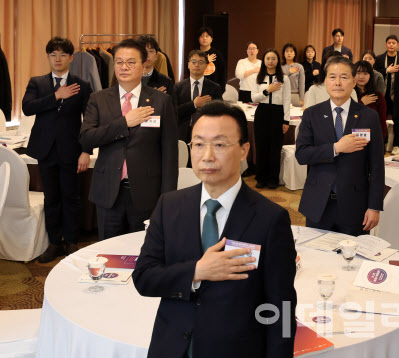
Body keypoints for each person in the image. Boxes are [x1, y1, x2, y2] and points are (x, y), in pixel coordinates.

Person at [133, 100, 297, 358]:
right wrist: (197, 271)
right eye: (198, 144)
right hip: (172, 347)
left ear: (244, 150)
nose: (206, 155)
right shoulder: (169, 205)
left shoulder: (270, 219)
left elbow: (283, 308)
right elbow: (144, 278)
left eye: (219, 145)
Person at [79, 39, 178, 240]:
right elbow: (86, 139)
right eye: (119, 62)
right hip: (108, 191)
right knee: (108, 251)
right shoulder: (98, 99)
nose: (124, 67)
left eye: (131, 62)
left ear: (144, 64)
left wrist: (167, 197)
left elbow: (169, 153)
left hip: (146, 193)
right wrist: (124, 123)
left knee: (143, 252)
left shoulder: (161, 101)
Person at [22, 37, 92, 263]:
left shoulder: (82, 85)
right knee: (51, 197)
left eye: (63, 54)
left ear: (71, 58)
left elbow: (89, 120)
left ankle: (71, 241)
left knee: (71, 197)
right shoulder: (37, 83)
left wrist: (86, 150)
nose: (58, 59)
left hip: (71, 149)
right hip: (45, 150)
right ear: (48, 57)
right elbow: (27, 107)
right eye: (53, 54)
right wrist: (56, 96)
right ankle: (54, 243)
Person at [296, 56, 384, 236]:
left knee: (353, 259)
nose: (337, 82)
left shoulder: (368, 117)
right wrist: (336, 148)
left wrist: (374, 206)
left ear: (353, 82)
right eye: (332, 77)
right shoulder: (312, 114)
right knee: (317, 259)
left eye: (344, 77)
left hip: (355, 205)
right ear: (325, 82)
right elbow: (302, 155)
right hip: (319, 203)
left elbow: (376, 166)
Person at [251, 49, 290, 189]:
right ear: (264, 60)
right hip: (262, 112)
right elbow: (253, 97)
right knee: (261, 146)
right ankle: (261, 177)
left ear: (278, 61)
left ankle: (273, 179)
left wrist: (286, 121)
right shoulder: (258, 77)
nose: (270, 61)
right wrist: (268, 90)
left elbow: (286, 100)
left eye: (273, 58)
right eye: (268, 58)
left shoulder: (284, 78)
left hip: (278, 113)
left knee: (275, 147)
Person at [174, 50, 223, 144]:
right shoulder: (178, 87)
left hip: (207, 133)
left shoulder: (214, 88)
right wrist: (194, 104)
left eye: (201, 62)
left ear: (206, 66)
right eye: (193, 62)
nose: (196, 65)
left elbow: (219, 113)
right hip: (183, 133)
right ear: (188, 65)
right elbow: (174, 112)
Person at [374, 35, 399, 155]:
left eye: (393, 43)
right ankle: (383, 143)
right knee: (381, 120)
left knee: (397, 119)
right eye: (389, 42)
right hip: (382, 95)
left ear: (397, 45)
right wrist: (386, 71)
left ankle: (397, 145)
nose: (391, 45)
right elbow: (374, 74)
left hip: (397, 95)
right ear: (385, 45)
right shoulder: (379, 59)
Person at [354, 60, 387, 140]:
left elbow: (382, 121)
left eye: (365, 73)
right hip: (352, 137)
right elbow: (348, 116)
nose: (361, 77)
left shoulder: (378, 96)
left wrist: (381, 139)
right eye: (358, 73)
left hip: (373, 136)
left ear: (370, 76)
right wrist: (361, 103)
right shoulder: (348, 94)